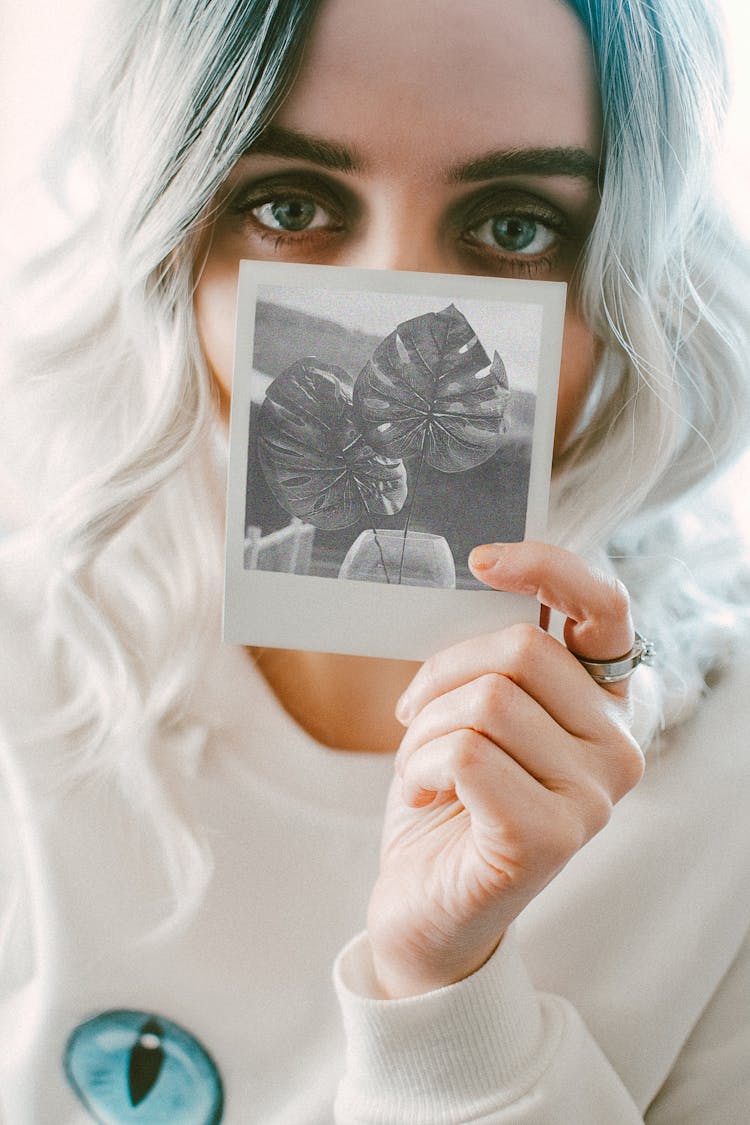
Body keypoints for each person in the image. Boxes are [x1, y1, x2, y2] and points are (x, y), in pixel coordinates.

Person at [1, 0, 748, 1121]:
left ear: (631, 276)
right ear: (173, 246)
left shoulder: (728, 785)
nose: (405, 309)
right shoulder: (24, 673)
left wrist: (443, 1004)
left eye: (513, 228)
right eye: (288, 205)